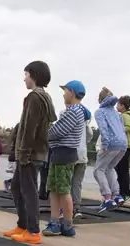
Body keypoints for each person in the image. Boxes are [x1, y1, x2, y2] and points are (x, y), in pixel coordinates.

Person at [4, 61, 56, 245]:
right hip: (35, 153)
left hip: (29, 154)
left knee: (29, 191)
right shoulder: (44, 96)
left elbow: (29, 128)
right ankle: (23, 225)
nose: (24, 78)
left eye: (25, 74)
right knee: (17, 187)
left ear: (33, 75)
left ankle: (33, 231)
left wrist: (23, 154)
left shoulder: (34, 97)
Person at [42, 80, 86, 237]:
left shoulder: (73, 111)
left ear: (72, 93)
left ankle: (67, 224)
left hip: (65, 154)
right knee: (54, 188)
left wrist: (45, 134)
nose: (63, 94)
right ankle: (55, 222)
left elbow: (56, 131)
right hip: (59, 153)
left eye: (65, 91)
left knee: (63, 190)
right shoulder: (75, 110)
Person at [93, 87, 128, 213]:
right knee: (109, 168)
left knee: (98, 170)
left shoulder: (100, 112)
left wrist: (105, 144)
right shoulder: (117, 114)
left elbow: (103, 129)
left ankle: (107, 198)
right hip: (123, 145)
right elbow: (122, 129)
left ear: (100, 100)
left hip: (111, 144)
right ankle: (116, 195)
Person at [115, 95, 130, 202]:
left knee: (122, 170)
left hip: (127, 146)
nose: (116, 106)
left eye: (118, 104)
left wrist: (117, 130)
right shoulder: (124, 115)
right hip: (124, 146)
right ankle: (122, 193)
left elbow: (129, 128)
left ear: (123, 106)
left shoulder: (125, 116)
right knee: (119, 169)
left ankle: (126, 193)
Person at [72, 105, 93, 220]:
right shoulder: (86, 124)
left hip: (70, 154)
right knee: (77, 183)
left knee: (65, 183)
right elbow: (90, 136)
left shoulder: (69, 115)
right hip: (82, 156)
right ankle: (77, 208)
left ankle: (63, 209)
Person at [4, 123, 19, 192]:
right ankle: (9, 184)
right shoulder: (18, 137)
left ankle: (10, 185)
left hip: (13, 157)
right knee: (18, 175)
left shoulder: (14, 136)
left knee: (17, 175)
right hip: (15, 157)